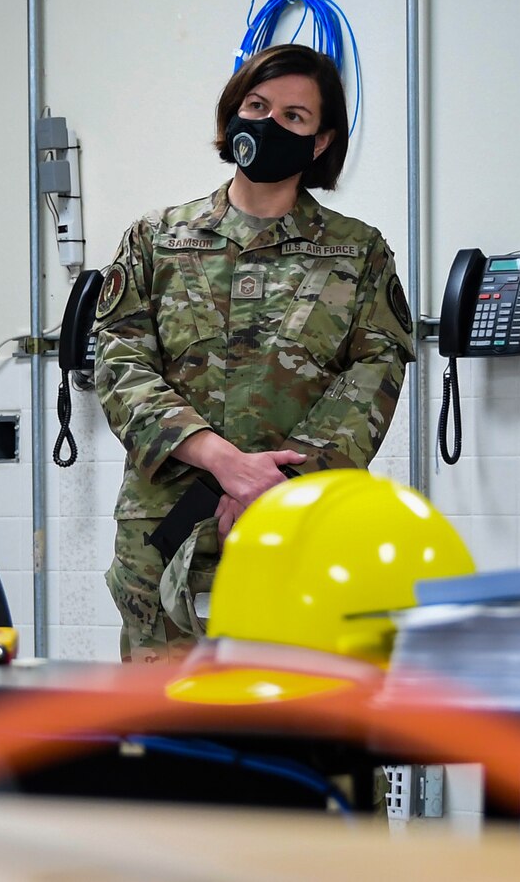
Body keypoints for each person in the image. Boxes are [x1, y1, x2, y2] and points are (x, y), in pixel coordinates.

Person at [93, 44, 414, 663]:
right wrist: (221, 461)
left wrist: (273, 485)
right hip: (166, 534)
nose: (269, 125)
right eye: (257, 106)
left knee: (306, 733)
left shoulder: (358, 252)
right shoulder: (156, 238)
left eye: (294, 117)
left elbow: (374, 375)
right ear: (231, 116)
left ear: (320, 142)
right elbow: (120, 364)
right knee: (169, 741)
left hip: (303, 529)